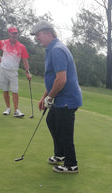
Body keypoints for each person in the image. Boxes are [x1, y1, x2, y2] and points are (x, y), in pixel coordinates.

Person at [31, 21, 82, 173]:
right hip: (61, 98)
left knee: (64, 131)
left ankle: (71, 164)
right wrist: (44, 97)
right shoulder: (52, 49)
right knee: (51, 120)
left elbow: (61, 79)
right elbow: (53, 79)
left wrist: (50, 97)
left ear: (48, 33)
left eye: (38, 35)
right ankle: (60, 154)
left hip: (67, 100)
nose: (37, 38)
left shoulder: (57, 50)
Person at [0, 26, 32, 117]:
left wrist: (27, 72)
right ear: (9, 33)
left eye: (16, 33)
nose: (14, 35)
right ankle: (8, 108)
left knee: (14, 91)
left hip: (13, 71)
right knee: (5, 90)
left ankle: (16, 110)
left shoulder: (22, 47)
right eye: (13, 33)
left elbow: (25, 60)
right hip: (3, 69)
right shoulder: (3, 43)